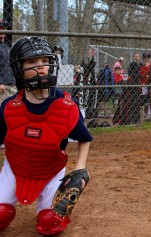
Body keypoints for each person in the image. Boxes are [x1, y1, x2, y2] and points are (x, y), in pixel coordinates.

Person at [0, 36, 93, 235]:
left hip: (50, 169)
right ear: (19, 67)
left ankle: (48, 206)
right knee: (1, 215)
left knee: (50, 222)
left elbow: (84, 138)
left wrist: (80, 168)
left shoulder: (65, 105)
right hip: (16, 167)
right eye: (32, 62)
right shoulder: (9, 107)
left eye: (44, 61)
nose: (40, 66)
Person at [0, 20, 17, 106]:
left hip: (10, 83)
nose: (2, 30)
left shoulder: (6, 46)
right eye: (0, 28)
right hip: (2, 85)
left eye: (3, 28)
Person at [125, 52, 142, 124]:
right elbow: (130, 74)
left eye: (138, 56)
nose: (137, 57)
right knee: (133, 102)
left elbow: (142, 73)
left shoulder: (140, 65)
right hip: (133, 85)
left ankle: (137, 118)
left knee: (138, 102)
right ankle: (132, 118)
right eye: (136, 56)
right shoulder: (132, 64)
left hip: (139, 85)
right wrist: (137, 75)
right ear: (134, 57)